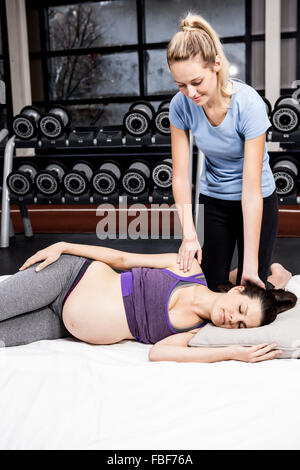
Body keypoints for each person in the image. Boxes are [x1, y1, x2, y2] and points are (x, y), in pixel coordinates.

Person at [0, 241, 296, 363]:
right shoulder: (188, 269)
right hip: (68, 276)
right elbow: (123, 258)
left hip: (60, 324)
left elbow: (158, 354)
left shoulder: (195, 332)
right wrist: (66, 246)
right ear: (236, 291)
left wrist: (233, 352)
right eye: (240, 310)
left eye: (241, 325)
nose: (232, 319)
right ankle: (277, 276)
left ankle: (278, 278)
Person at [167, 12, 278, 291]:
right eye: (181, 85)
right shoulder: (180, 106)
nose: (190, 93)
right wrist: (189, 235)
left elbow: (251, 189)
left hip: (256, 197)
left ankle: (277, 273)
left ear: (216, 64)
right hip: (214, 198)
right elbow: (180, 177)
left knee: (253, 286)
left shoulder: (248, 104)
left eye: (196, 82)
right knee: (209, 289)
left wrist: (250, 267)